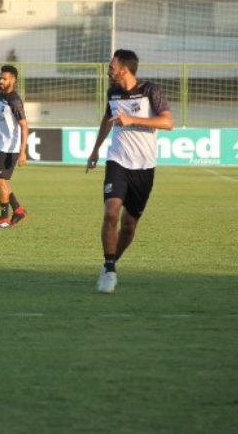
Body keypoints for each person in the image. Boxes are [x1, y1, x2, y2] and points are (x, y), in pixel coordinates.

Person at [86, 49, 173, 293]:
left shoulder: (150, 91)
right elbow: (108, 119)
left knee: (129, 226)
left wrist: (133, 119)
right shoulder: (112, 92)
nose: (108, 70)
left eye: (111, 67)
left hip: (144, 167)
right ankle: (110, 268)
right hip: (117, 161)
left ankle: (111, 262)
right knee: (111, 213)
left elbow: (167, 122)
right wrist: (95, 150)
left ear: (124, 69)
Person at [0, 65, 29, 228]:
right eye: (0, 78)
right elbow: (1, 123)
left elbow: (24, 126)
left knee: (1, 182)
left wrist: (23, 152)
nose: (1, 81)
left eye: (4, 78)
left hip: (11, 147)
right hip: (1, 144)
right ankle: (18, 209)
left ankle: (4, 219)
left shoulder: (14, 101)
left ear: (13, 80)